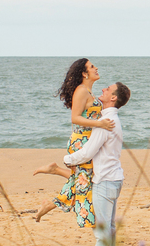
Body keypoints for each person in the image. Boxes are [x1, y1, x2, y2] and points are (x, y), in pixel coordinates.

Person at [56, 81, 130, 246]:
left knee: (102, 232)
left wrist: (68, 159)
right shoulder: (112, 119)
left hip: (105, 181)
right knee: (110, 228)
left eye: (108, 89)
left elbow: (87, 153)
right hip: (114, 179)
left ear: (113, 98)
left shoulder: (105, 123)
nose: (103, 89)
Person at [33, 59, 115, 226]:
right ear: (84, 73)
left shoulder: (89, 92)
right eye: (92, 67)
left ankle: (54, 175)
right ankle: (56, 202)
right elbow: (75, 118)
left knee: (83, 179)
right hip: (81, 142)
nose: (96, 68)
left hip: (89, 141)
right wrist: (100, 124)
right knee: (84, 181)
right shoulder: (81, 91)